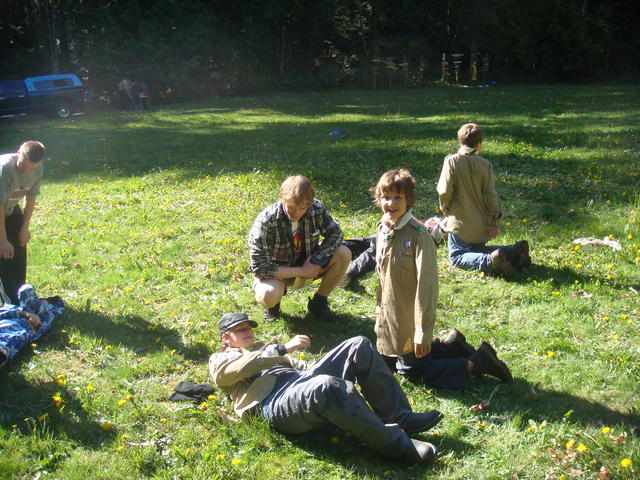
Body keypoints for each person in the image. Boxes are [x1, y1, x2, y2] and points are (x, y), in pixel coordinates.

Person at [209, 312, 443, 464]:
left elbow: (302, 367)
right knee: (324, 386)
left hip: (301, 381)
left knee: (358, 345)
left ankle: (400, 417)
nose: (248, 332)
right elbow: (231, 373)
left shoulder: (263, 348)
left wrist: (300, 362)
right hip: (274, 402)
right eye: (241, 329)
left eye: (249, 328)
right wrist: (280, 349)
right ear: (226, 338)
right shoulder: (220, 359)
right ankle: (396, 445)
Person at [373, 169, 511, 389]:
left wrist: (422, 331)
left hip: (410, 319)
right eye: (386, 197)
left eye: (397, 197)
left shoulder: (419, 236)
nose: (390, 203)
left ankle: (476, 364)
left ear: (409, 200)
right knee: (388, 361)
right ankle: (451, 346)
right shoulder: (382, 229)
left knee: (411, 373)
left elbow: (427, 288)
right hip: (390, 316)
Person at [248, 175, 351, 322]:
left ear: (309, 203)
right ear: (282, 199)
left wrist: (315, 259)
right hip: (277, 273)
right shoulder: (266, 220)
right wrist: (302, 271)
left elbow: (336, 234)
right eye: (290, 207)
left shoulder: (316, 209)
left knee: (343, 253)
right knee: (268, 295)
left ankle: (319, 303)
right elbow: (259, 267)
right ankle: (273, 306)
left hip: (309, 265)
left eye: (302, 208)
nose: (295, 213)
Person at [436, 123, 531, 278]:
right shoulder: (485, 164)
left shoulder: (452, 161)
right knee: (475, 250)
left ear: (459, 141)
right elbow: (491, 195)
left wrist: (444, 207)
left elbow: (444, 191)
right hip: (481, 225)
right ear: (479, 144)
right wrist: (494, 220)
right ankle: (513, 252)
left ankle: (490, 261)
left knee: (457, 256)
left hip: (460, 224)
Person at [340, 217, 447, 287]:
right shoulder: (421, 227)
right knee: (365, 242)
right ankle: (338, 246)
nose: (432, 220)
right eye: (433, 219)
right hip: (389, 234)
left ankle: (347, 274)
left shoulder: (430, 236)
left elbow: (443, 228)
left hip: (399, 241)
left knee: (371, 254)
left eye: (435, 220)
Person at [0, 141, 45, 305]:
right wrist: (3, 240)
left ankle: (20, 296)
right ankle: (10, 303)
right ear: (18, 152)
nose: (26, 171)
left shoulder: (38, 169)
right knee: (3, 254)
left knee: (20, 244)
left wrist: (24, 229)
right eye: (23, 165)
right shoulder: (5, 168)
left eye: (31, 168)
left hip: (10, 209)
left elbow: (31, 198)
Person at [0, 284, 64, 369]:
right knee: (26, 291)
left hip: (20, 327)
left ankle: (47, 304)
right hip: (15, 336)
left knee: (26, 291)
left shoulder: (43, 317)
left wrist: (24, 313)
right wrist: (24, 313)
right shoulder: (42, 318)